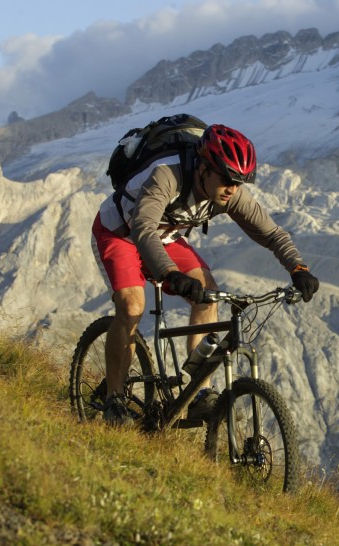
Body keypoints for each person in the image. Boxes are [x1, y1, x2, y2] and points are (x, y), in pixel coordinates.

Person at [91, 122, 320, 426]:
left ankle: (199, 394)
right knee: (132, 305)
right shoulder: (167, 175)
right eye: (227, 179)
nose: (233, 188)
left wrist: (298, 268)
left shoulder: (231, 194)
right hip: (120, 232)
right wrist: (170, 273)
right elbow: (143, 229)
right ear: (204, 168)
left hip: (165, 236)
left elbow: (272, 234)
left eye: (240, 182)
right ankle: (114, 400)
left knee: (207, 294)